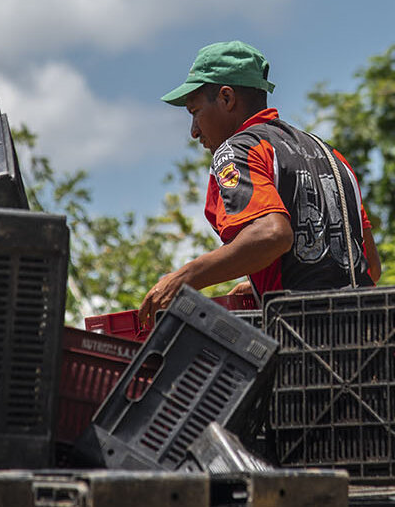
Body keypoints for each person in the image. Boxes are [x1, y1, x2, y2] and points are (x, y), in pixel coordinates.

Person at [139, 41, 381, 323]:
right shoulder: (331, 155)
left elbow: (272, 235)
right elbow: (370, 267)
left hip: (302, 341)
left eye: (194, 112)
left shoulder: (238, 150)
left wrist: (183, 277)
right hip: (366, 333)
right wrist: (258, 282)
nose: (193, 131)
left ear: (226, 98)